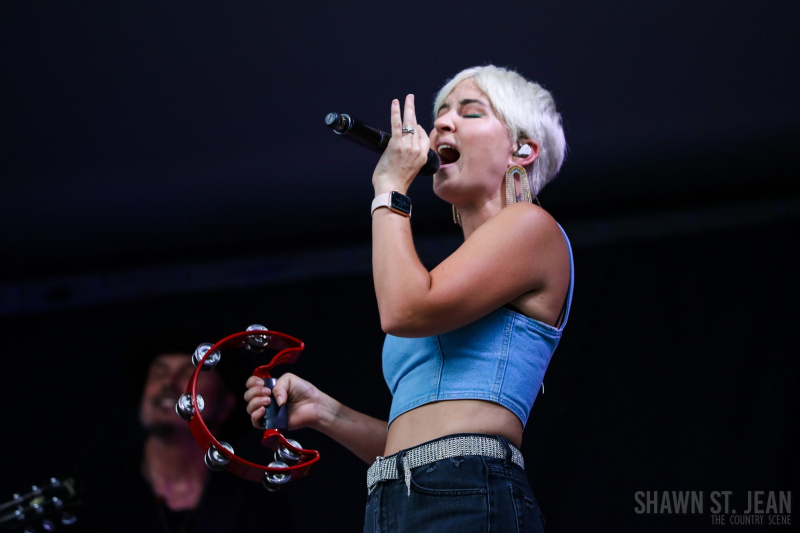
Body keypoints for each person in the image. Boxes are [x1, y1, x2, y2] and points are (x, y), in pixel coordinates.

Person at [245, 64, 573, 532]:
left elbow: (403, 309)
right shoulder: (441, 279)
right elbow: (422, 444)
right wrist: (325, 412)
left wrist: (390, 189)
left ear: (523, 149)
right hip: (393, 500)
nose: (441, 123)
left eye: (470, 112)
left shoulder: (533, 228)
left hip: (471, 496)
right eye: (440, 114)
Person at [77, 345, 297, 532]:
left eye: (189, 373)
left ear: (226, 405)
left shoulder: (256, 503)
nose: (168, 383)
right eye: (158, 374)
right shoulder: (92, 493)